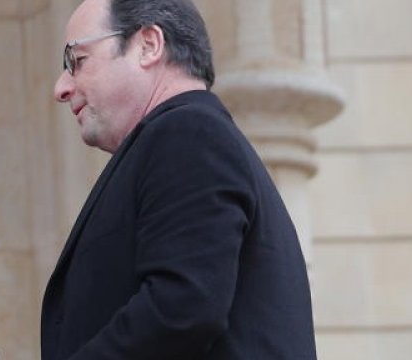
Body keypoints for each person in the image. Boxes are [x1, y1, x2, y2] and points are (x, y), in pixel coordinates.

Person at [40, 0, 317, 359]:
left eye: (78, 61)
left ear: (148, 45)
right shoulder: (180, 137)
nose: (61, 87)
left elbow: (182, 306)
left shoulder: (188, 133)